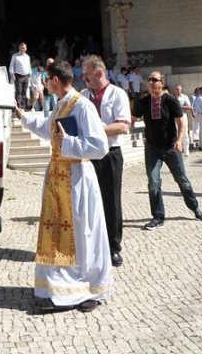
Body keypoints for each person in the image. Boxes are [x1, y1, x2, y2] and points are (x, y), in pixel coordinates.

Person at [15, 61, 111, 313]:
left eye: (46, 79)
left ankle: (90, 288)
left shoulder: (82, 106)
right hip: (57, 177)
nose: (44, 84)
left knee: (82, 233)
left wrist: (66, 143)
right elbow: (47, 129)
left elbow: (100, 146)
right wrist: (23, 117)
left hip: (77, 178)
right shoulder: (60, 104)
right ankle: (57, 286)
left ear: (55, 80)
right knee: (56, 233)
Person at [133, 71, 202, 230]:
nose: (151, 82)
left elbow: (181, 124)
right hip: (152, 148)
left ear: (162, 83)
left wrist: (179, 141)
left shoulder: (170, 100)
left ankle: (194, 206)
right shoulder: (143, 102)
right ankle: (158, 217)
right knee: (153, 182)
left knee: (182, 180)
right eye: (149, 79)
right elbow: (130, 119)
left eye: (154, 80)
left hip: (171, 147)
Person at [81, 56, 131, 267]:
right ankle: (91, 245)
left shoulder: (117, 94)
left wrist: (95, 130)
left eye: (87, 74)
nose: (84, 78)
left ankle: (113, 247)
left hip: (110, 154)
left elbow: (122, 126)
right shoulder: (83, 95)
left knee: (111, 201)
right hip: (87, 155)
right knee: (88, 201)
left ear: (99, 73)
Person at [172, 84, 194, 157]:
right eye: (176, 89)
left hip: (182, 116)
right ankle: (178, 149)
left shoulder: (184, 97)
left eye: (179, 89)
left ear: (181, 90)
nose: (178, 91)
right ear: (174, 90)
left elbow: (189, 107)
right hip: (173, 117)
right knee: (175, 133)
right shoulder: (171, 97)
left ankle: (186, 150)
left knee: (184, 133)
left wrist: (179, 107)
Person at [9, 42, 31, 110]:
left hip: (26, 76)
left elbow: (29, 66)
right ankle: (18, 107)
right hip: (18, 76)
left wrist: (30, 75)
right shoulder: (15, 56)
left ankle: (23, 107)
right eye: (21, 48)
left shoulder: (27, 57)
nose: (22, 49)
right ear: (19, 48)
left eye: (23, 48)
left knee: (24, 92)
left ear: (26, 49)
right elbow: (12, 65)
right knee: (19, 92)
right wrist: (12, 74)